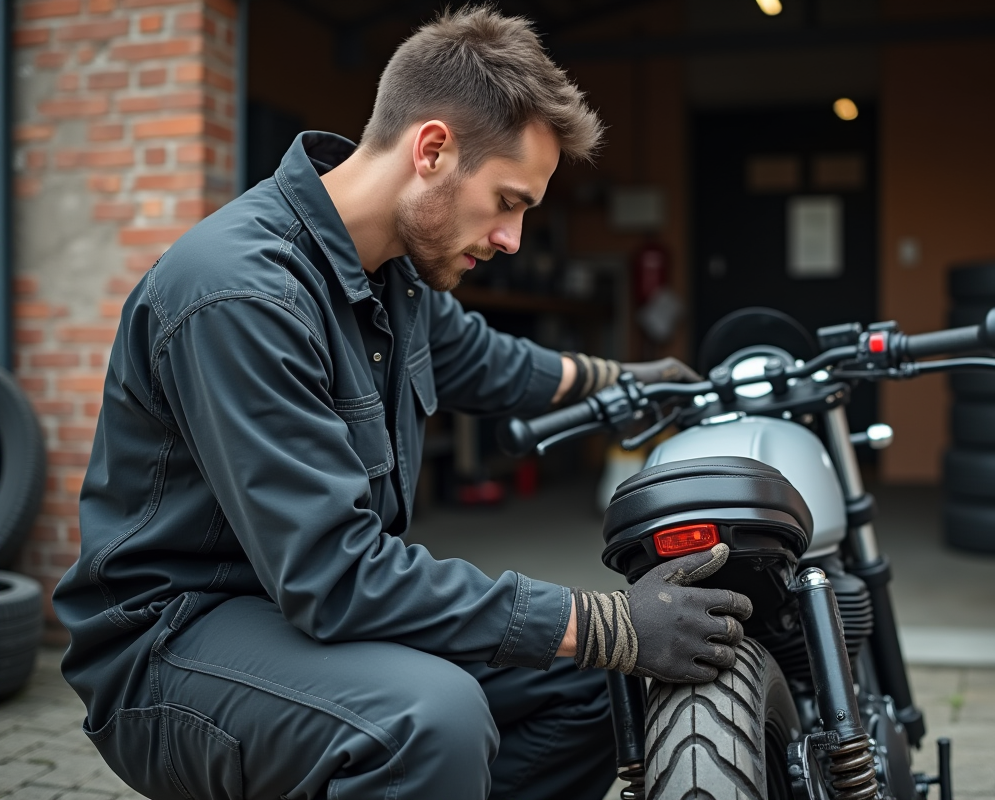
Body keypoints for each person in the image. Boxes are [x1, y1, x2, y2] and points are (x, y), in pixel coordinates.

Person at [53, 8, 752, 800]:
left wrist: (618, 382)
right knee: (429, 719)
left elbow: (490, 363)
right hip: (172, 647)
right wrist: (606, 623)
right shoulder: (239, 292)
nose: (514, 238)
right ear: (432, 150)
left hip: (305, 619)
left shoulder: (396, 273)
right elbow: (335, 574)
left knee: (594, 687)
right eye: (508, 201)